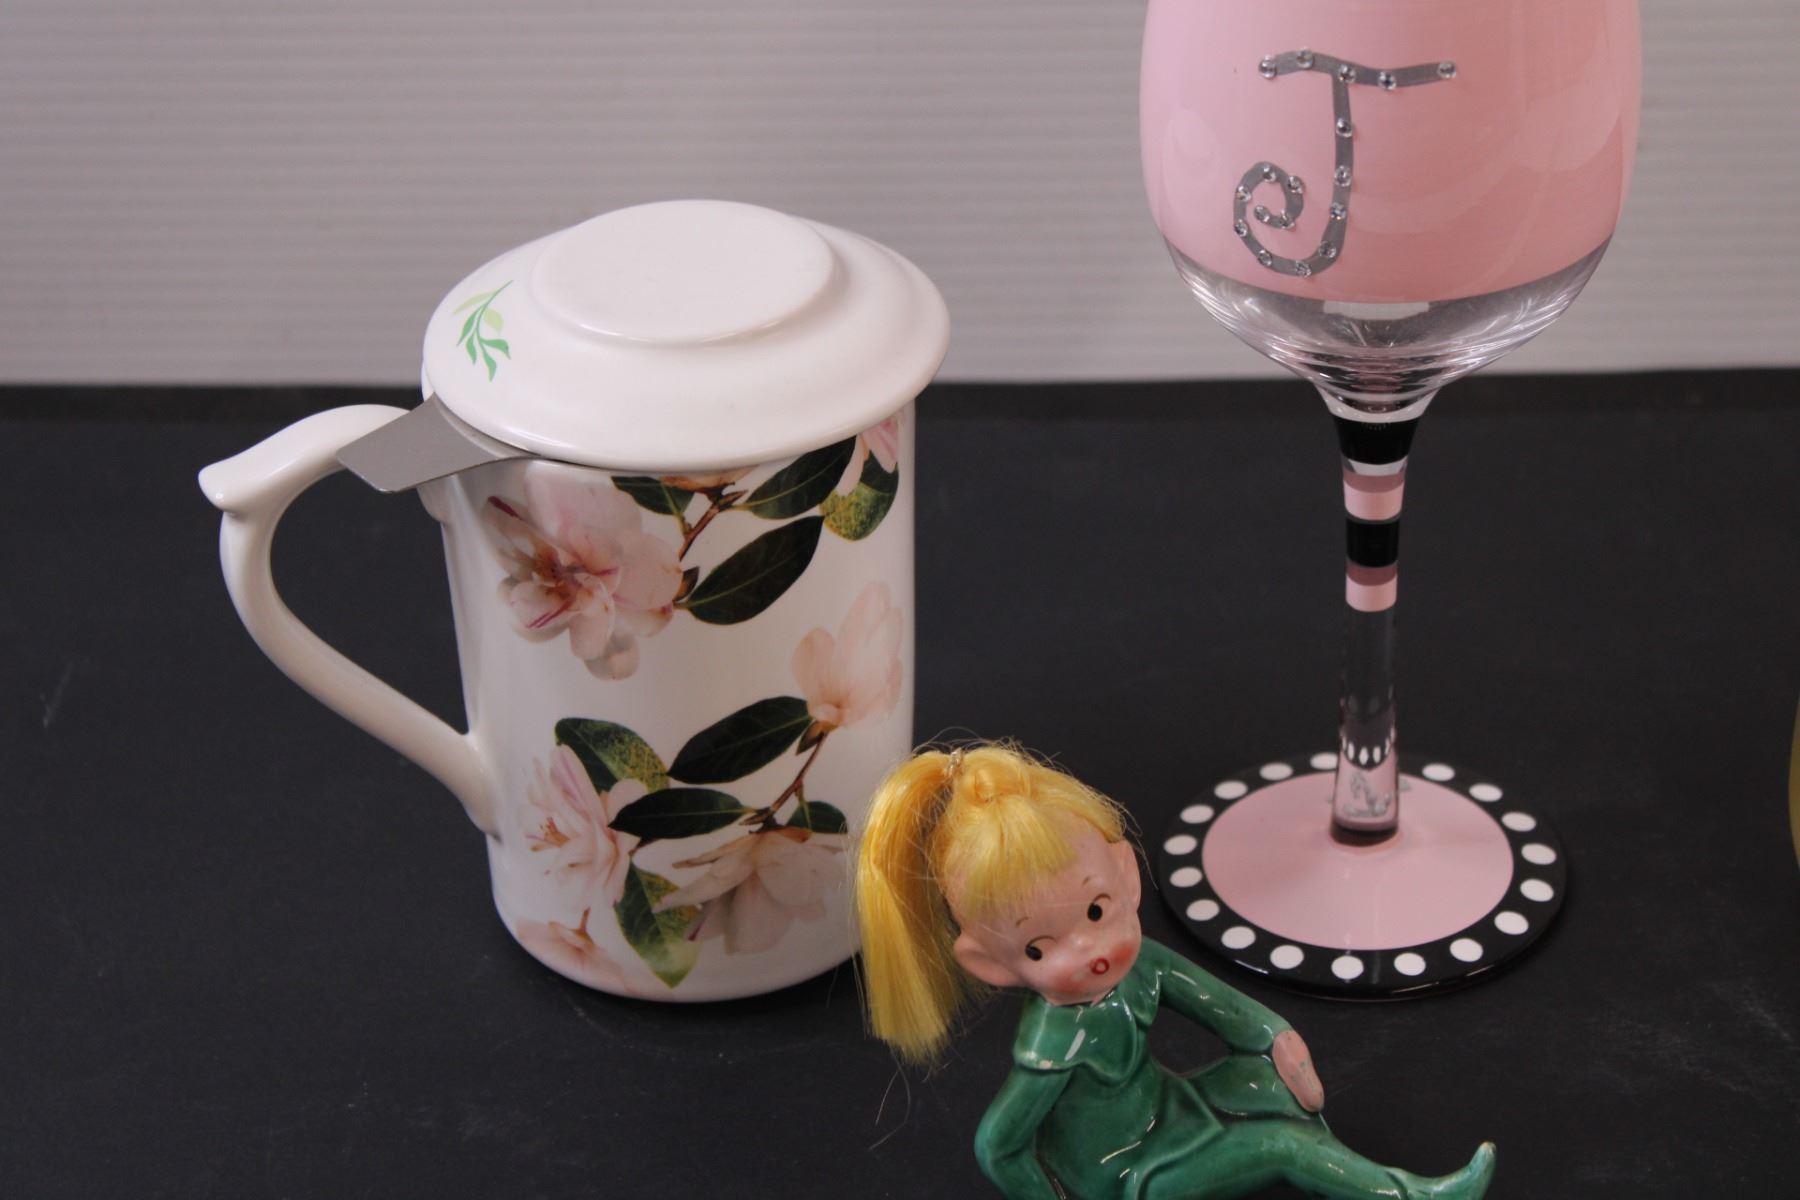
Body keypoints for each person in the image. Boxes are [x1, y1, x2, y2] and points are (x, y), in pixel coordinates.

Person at [855, 743, 1496, 1200]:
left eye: (1097, 910)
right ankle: (1409, 1195)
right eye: (1041, 948)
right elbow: (998, 1144)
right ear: (991, 966)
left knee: (1269, 1081)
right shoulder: (1055, 1039)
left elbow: (1229, 1012)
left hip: (1175, 1110)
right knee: (1280, 1146)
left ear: (1126, 876)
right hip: (1132, 1175)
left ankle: (1337, 1173)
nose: (1090, 951)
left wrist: (1278, 1038)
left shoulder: (1142, 965)